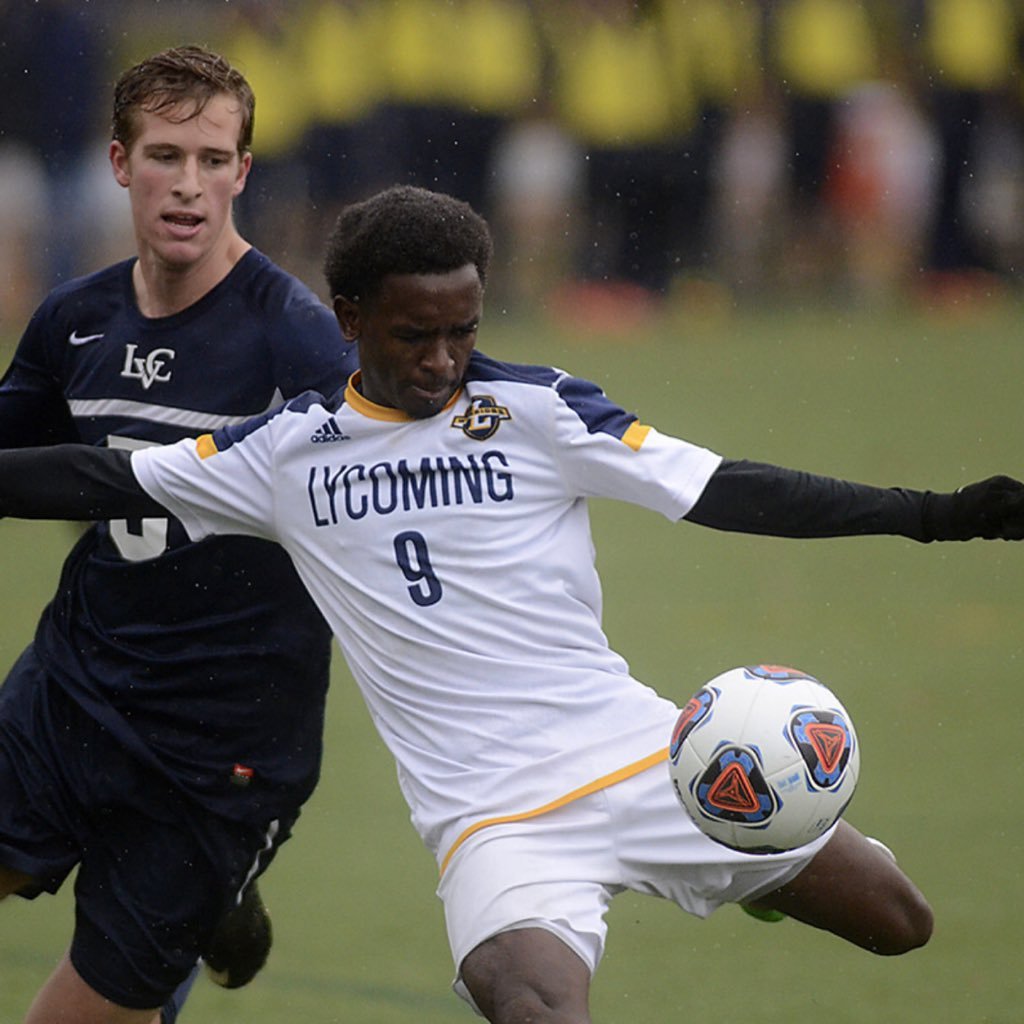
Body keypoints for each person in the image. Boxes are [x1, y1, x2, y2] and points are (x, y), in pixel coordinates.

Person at [3, 185, 1024, 1024]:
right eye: (414, 336)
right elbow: (96, 481)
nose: (444, 362)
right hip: (494, 820)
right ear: (349, 319)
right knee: (533, 1007)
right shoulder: (283, 451)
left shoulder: (539, 410)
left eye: (463, 330)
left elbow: (727, 489)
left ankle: (748, 872)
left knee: (903, 922)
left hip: (646, 758)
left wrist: (935, 515)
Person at [0, 46, 355, 1024]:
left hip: (219, 751)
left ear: (243, 171)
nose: (188, 185)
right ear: (120, 164)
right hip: (70, 691)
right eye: (164, 156)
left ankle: (201, 896)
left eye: (212, 159)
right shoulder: (75, 323)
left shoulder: (296, 340)